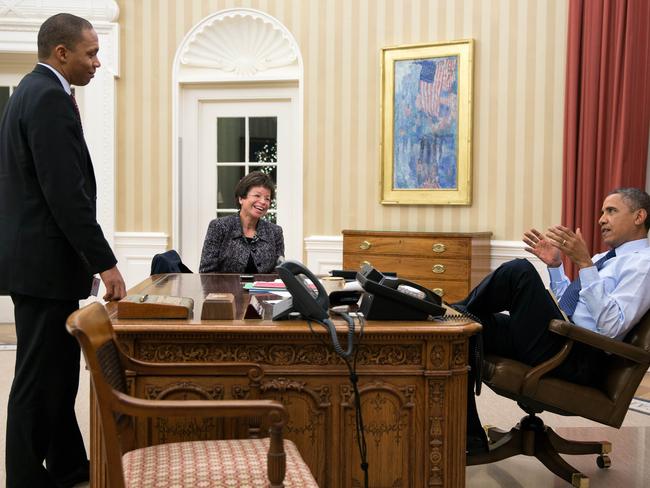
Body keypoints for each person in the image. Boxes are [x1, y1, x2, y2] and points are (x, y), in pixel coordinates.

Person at [0, 13, 126, 487]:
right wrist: (104, 262)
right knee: (37, 380)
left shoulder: (30, 92)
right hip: (41, 266)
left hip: (42, 262)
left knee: (56, 375)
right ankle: (26, 479)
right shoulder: (49, 97)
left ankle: (70, 467)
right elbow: (64, 194)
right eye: (90, 53)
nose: (96, 61)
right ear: (62, 53)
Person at [457, 188, 650, 454]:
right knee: (468, 329)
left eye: (611, 211)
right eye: (602, 212)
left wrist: (584, 264)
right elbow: (568, 308)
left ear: (640, 216)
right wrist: (556, 267)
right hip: (560, 340)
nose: (601, 219)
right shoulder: (601, 260)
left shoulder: (644, 264)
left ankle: (446, 314)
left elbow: (612, 327)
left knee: (519, 271)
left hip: (576, 357)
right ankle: (471, 436)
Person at [199, 171, 285, 273]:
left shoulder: (275, 232)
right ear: (241, 198)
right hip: (223, 289)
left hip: (263, 289)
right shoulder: (219, 227)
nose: (263, 202)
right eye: (257, 196)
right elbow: (206, 272)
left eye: (267, 198)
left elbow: (279, 273)